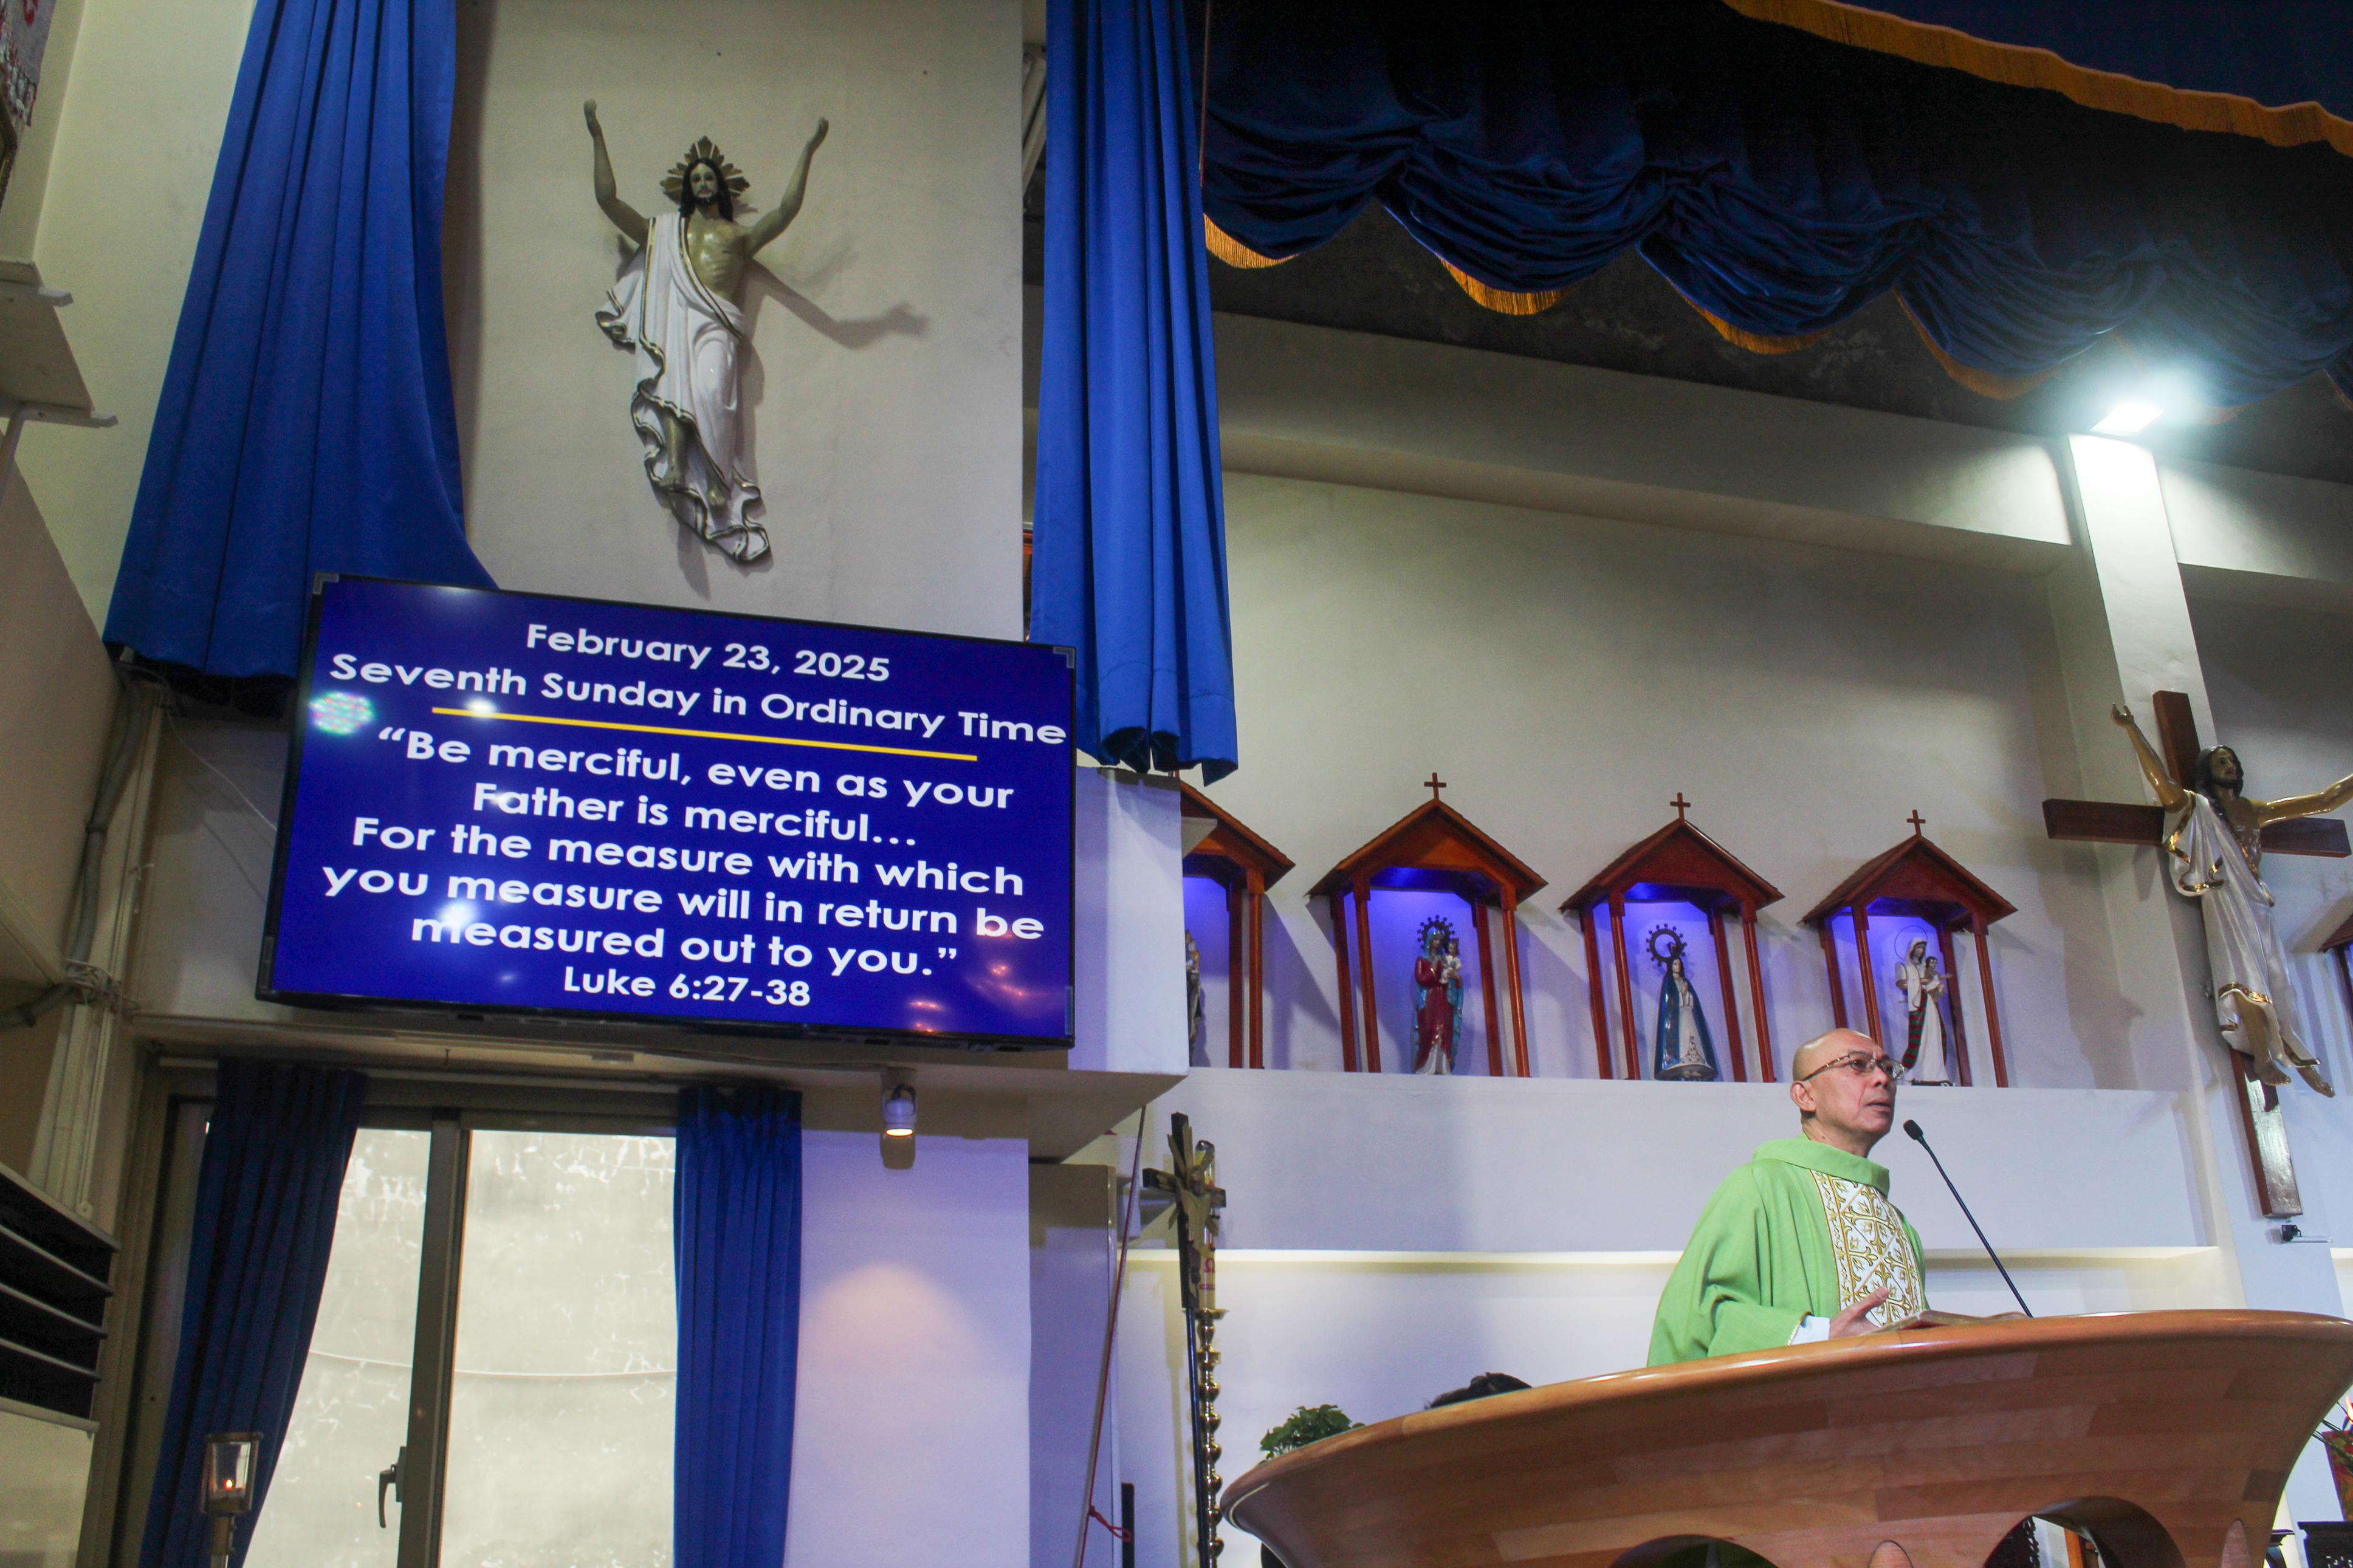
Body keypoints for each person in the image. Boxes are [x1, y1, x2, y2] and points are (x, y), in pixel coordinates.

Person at [584, 101, 828, 563]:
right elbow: (609, 202)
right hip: (677, 318)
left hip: (716, 324)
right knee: (673, 384)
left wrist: (809, 151)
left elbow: (786, 211)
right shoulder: (663, 233)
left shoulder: (737, 238)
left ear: (720, 185)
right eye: (694, 179)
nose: (701, 184)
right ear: (686, 186)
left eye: (708, 178)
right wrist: (598, 137)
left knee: (713, 387)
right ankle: (678, 465)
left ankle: (718, 481)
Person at [1647, 1029, 1927, 1364]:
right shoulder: (1760, 1185)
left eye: (1887, 1067)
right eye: (1858, 1064)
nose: (1882, 1078)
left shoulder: (1898, 1223)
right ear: (1805, 1095)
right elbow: (1698, 1317)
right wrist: (1815, 1335)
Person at [2112, 704, 2349, 1096]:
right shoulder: (2195, 807)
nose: (2230, 765)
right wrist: (2132, 729)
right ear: (2208, 770)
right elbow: (2161, 783)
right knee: (2243, 978)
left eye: (2233, 760)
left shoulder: (2255, 811)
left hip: (2258, 901)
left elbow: (2326, 800)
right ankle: (2263, 1056)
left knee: (2278, 981)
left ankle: (2295, 1053)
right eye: (2221, 761)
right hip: (2224, 900)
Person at [1891, 938, 1951, 1085]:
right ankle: (1913, 1072)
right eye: (1918, 948)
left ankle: (1935, 1074)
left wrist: (1936, 985)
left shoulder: (1926, 967)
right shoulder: (1904, 966)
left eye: (1923, 948)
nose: (1921, 951)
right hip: (1917, 1005)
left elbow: (1934, 979)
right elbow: (1902, 984)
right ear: (1912, 949)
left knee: (1935, 1036)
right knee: (1919, 1039)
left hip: (1930, 1003)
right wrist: (1919, 982)